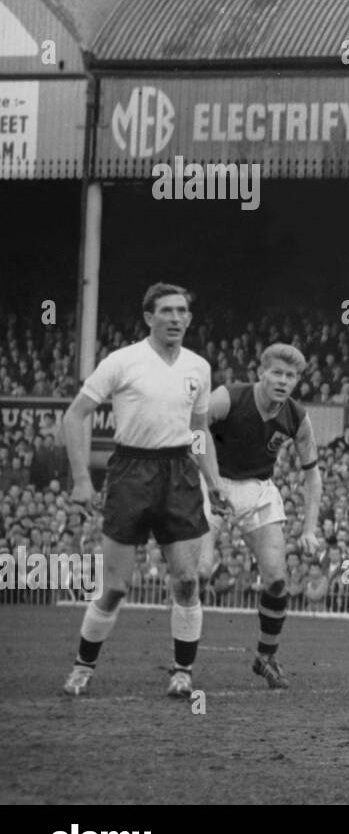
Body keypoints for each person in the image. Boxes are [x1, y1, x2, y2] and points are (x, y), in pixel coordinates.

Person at [62, 282, 227, 700]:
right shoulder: (122, 361)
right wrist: (82, 479)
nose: (175, 318)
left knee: (188, 580)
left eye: (182, 311)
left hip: (180, 473)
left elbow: (199, 429)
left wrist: (214, 479)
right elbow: (75, 415)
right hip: (130, 471)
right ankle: (83, 667)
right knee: (116, 586)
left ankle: (182, 672)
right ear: (149, 317)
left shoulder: (198, 367)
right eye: (166, 311)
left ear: (189, 318)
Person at [199, 344, 321, 688]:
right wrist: (207, 480)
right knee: (199, 572)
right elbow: (195, 428)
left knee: (277, 579)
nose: (284, 381)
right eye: (278, 373)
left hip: (257, 488)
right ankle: (184, 661)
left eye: (291, 376)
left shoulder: (297, 417)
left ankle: (266, 657)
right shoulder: (229, 397)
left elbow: (313, 474)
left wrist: (310, 529)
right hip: (214, 482)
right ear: (261, 373)